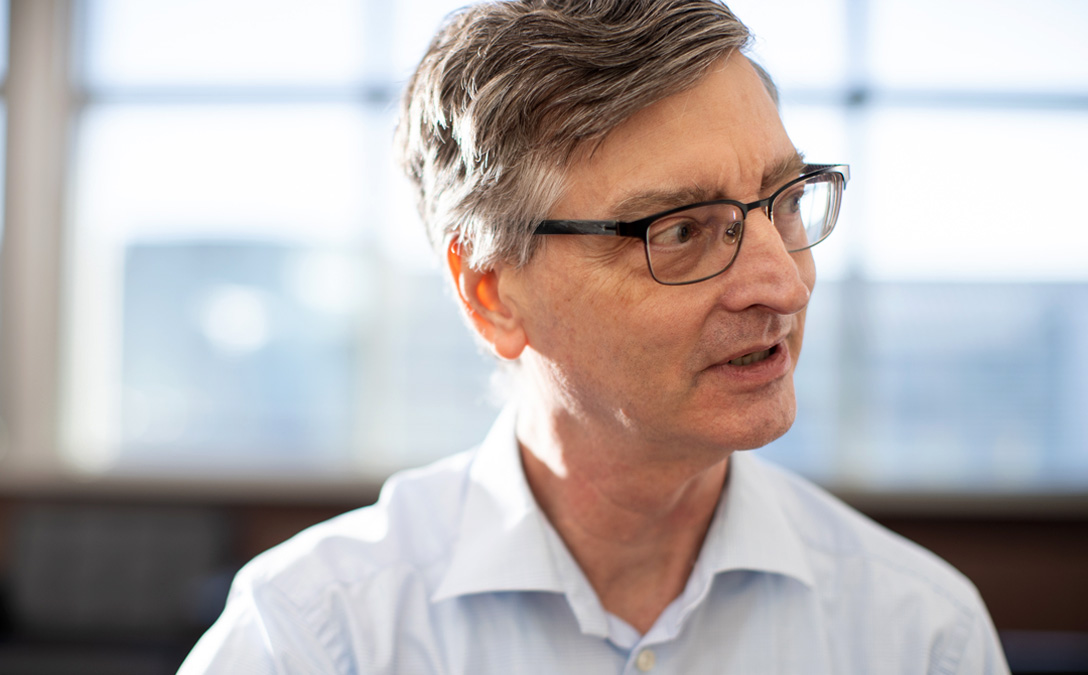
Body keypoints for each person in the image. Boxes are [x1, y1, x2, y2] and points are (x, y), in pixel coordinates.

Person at [179, 1, 1009, 672]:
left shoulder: (919, 633)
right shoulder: (312, 637)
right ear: (492, 293)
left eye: (785, 200)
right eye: (681, 230)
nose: (785, 285)